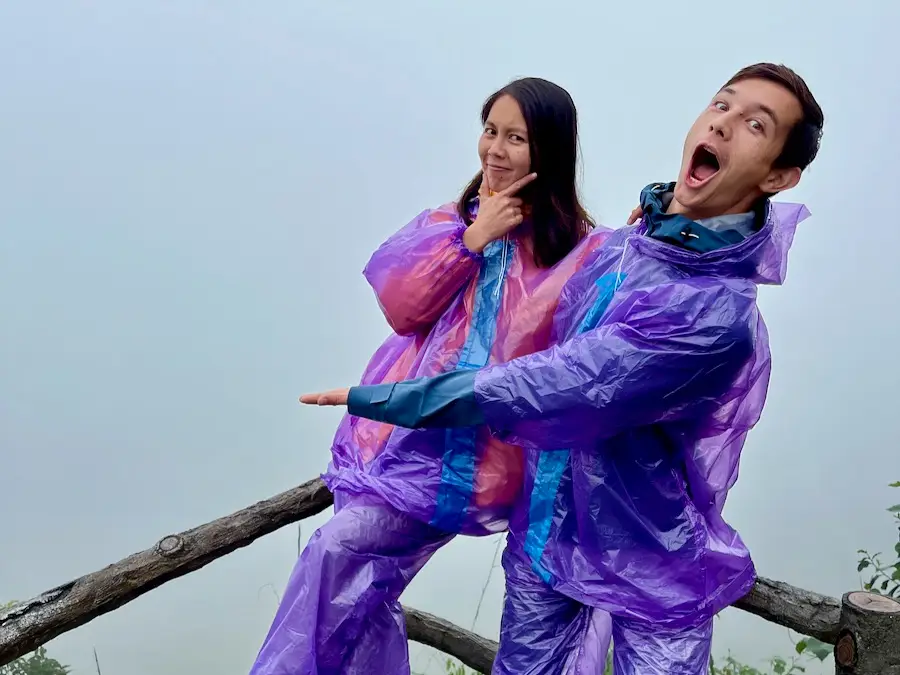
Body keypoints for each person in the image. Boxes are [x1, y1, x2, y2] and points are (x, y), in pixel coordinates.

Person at [299, 62, 826, 674]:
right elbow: (496, 315)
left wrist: (392, 399)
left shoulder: (711, 315)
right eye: (722, 105)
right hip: (547, 537)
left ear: (779, 176)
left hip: (650, 561)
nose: (725, 124)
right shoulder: (629, 247)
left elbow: (555, 383)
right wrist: (481, 236)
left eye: (755, 125)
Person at [250, 77, 615, 675]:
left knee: (338, 556)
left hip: (481, 464)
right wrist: (471, 240)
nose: (494, 149)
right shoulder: (451, 222)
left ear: (549, 149)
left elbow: (588, 358)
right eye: (490, 130)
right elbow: (403, 309)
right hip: (396, 445)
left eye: (515, 138)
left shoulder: (584, 251)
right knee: (354, 582)